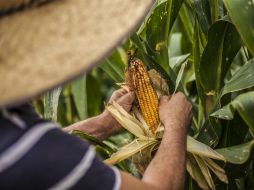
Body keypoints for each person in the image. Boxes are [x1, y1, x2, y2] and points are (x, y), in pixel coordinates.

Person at [0, 0, 192, 190]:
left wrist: (105, 123)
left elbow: (37, 148)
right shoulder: (40, 156)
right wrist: (175, 125)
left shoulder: (14, 126)